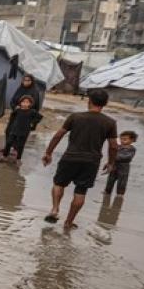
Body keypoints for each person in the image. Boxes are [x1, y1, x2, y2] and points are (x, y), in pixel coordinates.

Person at [41, 89, 118, 229]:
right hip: (91, 162)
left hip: (70, 157)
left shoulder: (75, 117)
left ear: (89, 101)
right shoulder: (110, 122)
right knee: (80, 192)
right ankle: (69, 222)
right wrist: (111, 162)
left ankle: (55, 209)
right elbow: (113, 146)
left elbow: (59, 135)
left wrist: (48, 152)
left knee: (59, 184)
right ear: (105, 104)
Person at [0, 95, 38, 163]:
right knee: (9, 142)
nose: (25, 103)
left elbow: (38, 118)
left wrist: (32, 124)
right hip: (14, 130)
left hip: (24, 131)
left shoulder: (32, 112)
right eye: (23, 102)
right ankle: (4, 156)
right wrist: (11, 125)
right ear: (20, 103)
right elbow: (12, 117)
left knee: (20, 145)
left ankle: (18, 159)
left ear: (30, 104)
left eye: (27, 102)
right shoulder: (17, 110)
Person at [104, 131, 138, 197]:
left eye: (125, 139)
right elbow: (112, 154)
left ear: (132, 140)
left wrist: (115, 157)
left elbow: (127, 157)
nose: (122, 141)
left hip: (124, 167)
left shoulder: (131, 149)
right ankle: (107, 191)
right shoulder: (118, 146)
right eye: (121, 139)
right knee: (110, 179)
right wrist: (109, 162)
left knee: (122, 181)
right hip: (114, 166)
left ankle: (120, 194)